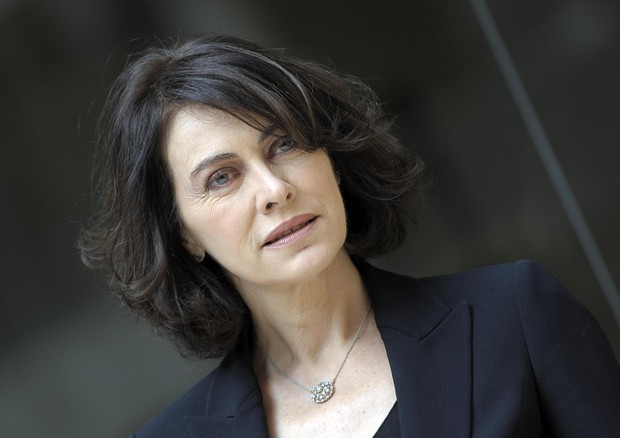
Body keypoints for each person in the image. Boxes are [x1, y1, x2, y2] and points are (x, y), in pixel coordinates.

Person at [79, 33, 620, 437]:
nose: (273, 189)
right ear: (184, 236)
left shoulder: (516, 317)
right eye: (222, 178)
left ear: (332, 159)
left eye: (284, 145)